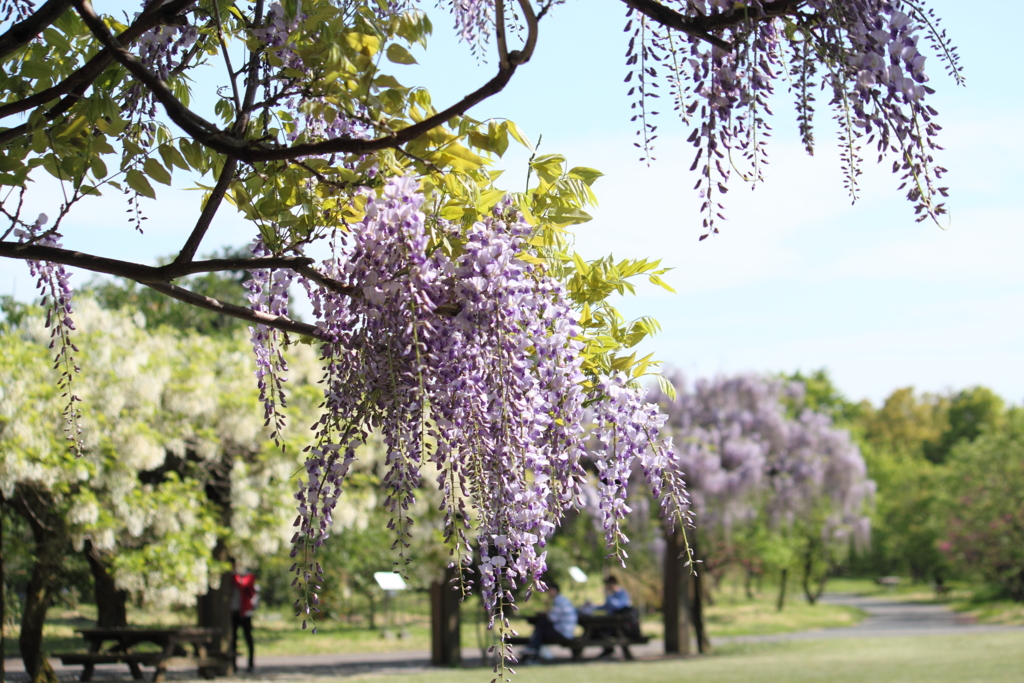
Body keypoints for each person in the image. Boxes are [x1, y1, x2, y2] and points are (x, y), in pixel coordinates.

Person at [521, 580, 577, 663]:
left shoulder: (558, 601)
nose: (548, 593)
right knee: (541, 628)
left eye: (549, 590)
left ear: (555, 590)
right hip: (565, 629)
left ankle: (532, 651)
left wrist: (546, 609)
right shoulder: (561, 599)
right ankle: (532, 651)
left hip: (563, 631)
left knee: (541, 629)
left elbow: (552, 618)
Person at [594, 574, 636, 659]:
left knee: (606, 630)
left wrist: (609, 595)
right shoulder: (611, 594)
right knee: (597, 630)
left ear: (612, 584)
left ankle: (610, 650)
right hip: (611, 622)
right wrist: (592, 607)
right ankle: (608, 649)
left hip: (623, 624)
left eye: (607, 584)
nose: (606, 586)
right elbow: (606, 607)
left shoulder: (622, 593)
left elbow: (618, 606)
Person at [231, 562, 259, 672]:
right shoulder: (233, 576)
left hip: (246, 612)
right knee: (233, 639)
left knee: (248, 638)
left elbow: (242, 584)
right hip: (234, 611)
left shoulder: (249, 576)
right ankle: (233, 664)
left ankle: (251, 664)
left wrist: (234, 575)